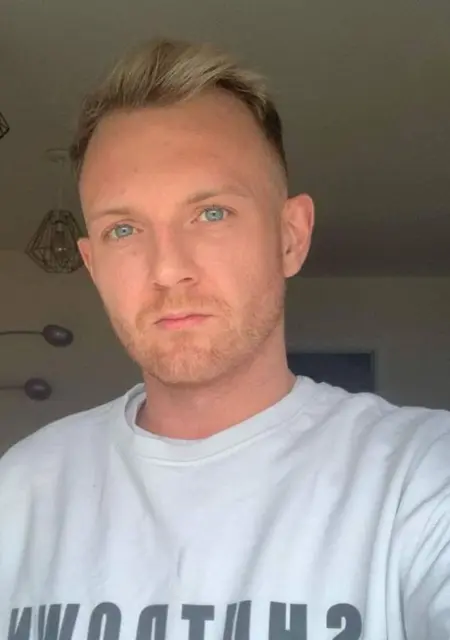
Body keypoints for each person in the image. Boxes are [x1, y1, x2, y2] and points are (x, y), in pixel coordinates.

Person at [1, 38, 449, 640]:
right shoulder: (21, 490)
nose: (167, 269)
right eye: (124, 229)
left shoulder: (419, 478)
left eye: (211, 213)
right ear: (92, 263)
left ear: (290, 237)